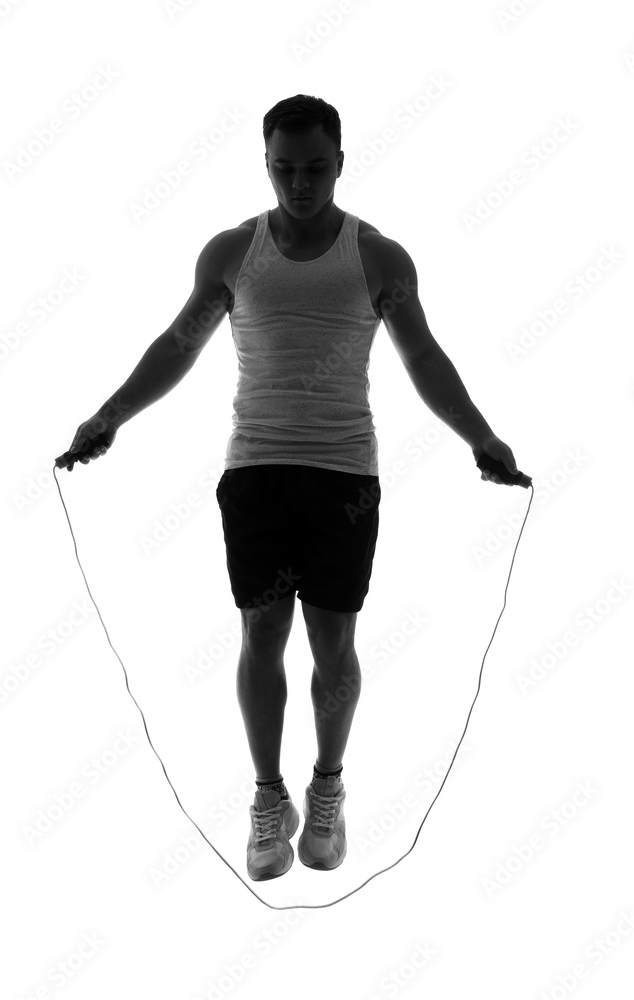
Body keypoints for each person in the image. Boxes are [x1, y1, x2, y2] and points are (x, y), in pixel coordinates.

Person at [60, 94, 521, 882]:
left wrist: (480, 437)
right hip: (257, 470)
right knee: (262, 633)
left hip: (344, 473)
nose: (299, 184)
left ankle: (328, 789)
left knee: (332, 642)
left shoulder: (377, 258)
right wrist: (110, 416)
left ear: (339, 162)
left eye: (313, 168)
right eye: (283, 169)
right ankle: (269, 801)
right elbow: (178, 345)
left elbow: (424, 361)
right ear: (265, 163)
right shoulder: (233, 252)